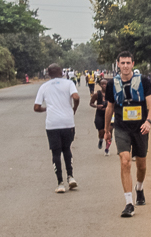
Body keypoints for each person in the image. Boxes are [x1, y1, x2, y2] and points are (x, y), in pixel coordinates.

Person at [103, 52, 151, 218]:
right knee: (125, 162)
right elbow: (109, 108)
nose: (125, 66)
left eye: (128, 63)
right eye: (122, 63)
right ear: (117, 64)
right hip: (121, 128)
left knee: (142, 165)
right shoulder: (112, 84)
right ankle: (129, 203)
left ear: (133, 64)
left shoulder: (144, 82)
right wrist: (107, 130)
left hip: (140, 128)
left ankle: (139, 188)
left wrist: (148, 122)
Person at [33, 63, 80, 193]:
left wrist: (46, 109)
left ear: (48, 74)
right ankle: (70, 177)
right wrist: (73, 109)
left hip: (52, 123)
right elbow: (76, 97)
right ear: (61, 72)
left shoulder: (44, 87)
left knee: (55, 153)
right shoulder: (69, 83)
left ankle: (60, 183)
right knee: (67, 149)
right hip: (67, 122)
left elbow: (36, 107)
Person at [89, 83, 109, 152]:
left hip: (108, 114)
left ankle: (107, 148)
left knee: (109, 131)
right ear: (100, 85)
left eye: (105, 84)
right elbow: (91, 103)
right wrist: (97, 106)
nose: (104, 85)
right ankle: (101, 139)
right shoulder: (97, 94)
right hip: (99, 114)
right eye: (103, 84)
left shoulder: (111, 94)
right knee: (101, 131)